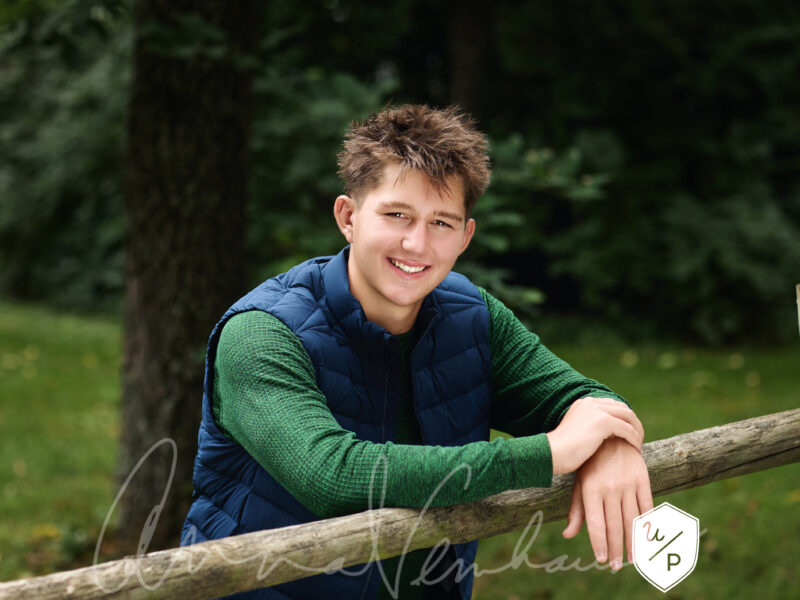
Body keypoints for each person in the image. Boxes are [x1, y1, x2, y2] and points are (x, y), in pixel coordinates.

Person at [181, 104, 652, 599]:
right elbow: (331, 475)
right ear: (348, 216)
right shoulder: (261, 333)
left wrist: (613, 443)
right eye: (397, 214)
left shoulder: (472, 316)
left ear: (466, 236)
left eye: (442, 223)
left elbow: (577, 397)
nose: (416, 244)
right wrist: (552, 453)